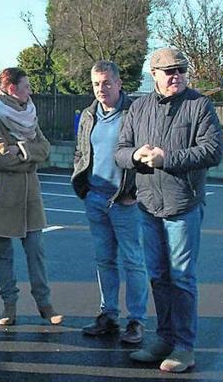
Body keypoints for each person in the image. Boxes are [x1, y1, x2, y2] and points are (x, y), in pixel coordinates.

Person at [115, 47, 223, 373]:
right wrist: (136, 156)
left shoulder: (199, 106)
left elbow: (212, 151)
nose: (176, 75)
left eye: (180, 70)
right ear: (154, 75)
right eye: (169, 71)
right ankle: (163, 339)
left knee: (182, 279)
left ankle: (185, 347)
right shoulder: (138, 108)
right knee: (159, 277)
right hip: (148, 205)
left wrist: (167, 159)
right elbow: (120, 151)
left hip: (182, 205)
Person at [0, 67, 63, 327]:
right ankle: (9, 306)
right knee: (3, 253)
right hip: (0, 192)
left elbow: (45, 147)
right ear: (12, 88)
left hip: (30, 194)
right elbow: (0, 156)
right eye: (26, 86)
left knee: (36, 250)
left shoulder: (29, 111)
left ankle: (45, 305)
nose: (31, 91)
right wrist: (31, 157)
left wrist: (22, 150)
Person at [71, 61, 146, 344]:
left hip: (125, 201)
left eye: (106, 83)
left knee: (133, 262)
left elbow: (143, 155)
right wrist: (85, 189)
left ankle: (136, 321)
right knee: (104, 260)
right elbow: (81, 152)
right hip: (96, 198)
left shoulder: (133, 114)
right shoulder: (89, 114)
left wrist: (134, 192)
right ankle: (108, 315)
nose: (100, 89)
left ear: (118, 84)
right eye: (95, 84)